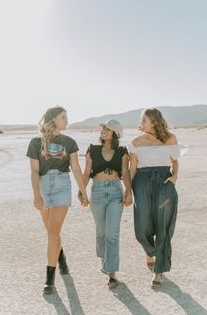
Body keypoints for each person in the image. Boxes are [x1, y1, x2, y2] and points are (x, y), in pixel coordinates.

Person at [26, 106, 89, 294]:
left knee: (53, 231)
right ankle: (60, 256)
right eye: (64, 117)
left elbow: (76, 169)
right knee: (51, 232)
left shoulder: (70, 142)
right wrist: (36, 194)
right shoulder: (36, 142)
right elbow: (35, 171)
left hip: (62, 184)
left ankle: (49, 280)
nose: (67, 121)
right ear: (53, 119)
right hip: (44, 186)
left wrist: (83, 192)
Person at [128, 108, 187, 289]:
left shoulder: (170, 139)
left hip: (164, 183)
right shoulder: (135, 142)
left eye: (144, 120)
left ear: (154, 121)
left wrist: (174, 178)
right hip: (142, 183)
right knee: (142, 226)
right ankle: (150, 251)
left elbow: (175, 162)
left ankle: (159, 270)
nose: (141, 123)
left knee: (164, 224)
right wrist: (129, 190)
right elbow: (132, 167)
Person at [80, 119, 132, 288]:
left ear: (115, 133)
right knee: (101, 232)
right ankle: (104, 260)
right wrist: (81, 191)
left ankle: (112, 273)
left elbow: (125, 172)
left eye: (108, 129)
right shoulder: (92, 149)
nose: (103, 131)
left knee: (112, 234)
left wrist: (128, 191)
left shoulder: (123, 151)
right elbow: (87, 173)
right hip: (97, 191)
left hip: (116, 192)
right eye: (103, 129)